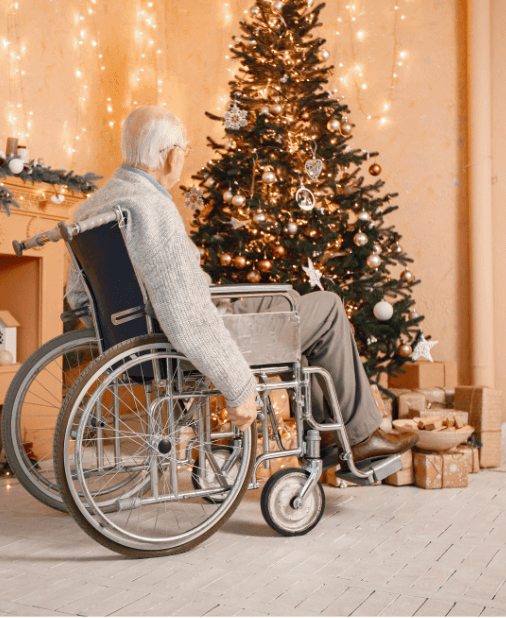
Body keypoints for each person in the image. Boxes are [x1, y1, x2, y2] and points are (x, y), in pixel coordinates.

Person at [66, 105, 417, 462]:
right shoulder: (153, 210)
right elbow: (186, 317)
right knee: (327, 308)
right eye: (184, 152)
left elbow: (79, 297)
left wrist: (125, 333)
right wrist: (237, 384)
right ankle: (359, 437)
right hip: (191, 332)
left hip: (157, 328)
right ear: (171, 156)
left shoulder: (93, 207)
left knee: (293, 301)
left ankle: (331, 434)